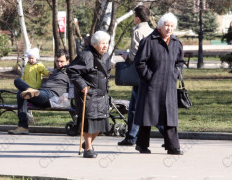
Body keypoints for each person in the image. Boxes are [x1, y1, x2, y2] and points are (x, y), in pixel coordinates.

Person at [133, 12, 184, 155]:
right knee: (147, 116)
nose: (169, 28)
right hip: (151, 86)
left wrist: (175, 73)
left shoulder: (176, 42)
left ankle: (173, 146)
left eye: (172, 26)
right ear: (160, 27)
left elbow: (180, 62)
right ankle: (142, 145)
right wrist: (149, 77)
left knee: (170, 117)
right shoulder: (149, 41)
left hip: (169, 85)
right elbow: (139, 62)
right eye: (167, 25)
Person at [117, 5, 164, 146]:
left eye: (133, 17)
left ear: (137, 18)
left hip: (139, 74)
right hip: (150, 73)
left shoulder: (137, 32)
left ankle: (167, 133)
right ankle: (131, 136)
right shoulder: (152, 31)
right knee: (134, 106)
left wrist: (126, 55)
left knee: (143, 107)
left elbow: (136, 55)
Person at [67, 31, 112, 158]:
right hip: (89, 94)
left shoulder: (106, 56)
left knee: (101, 124)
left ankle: (87, 144)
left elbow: (106, 73)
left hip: (101, 94)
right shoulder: (86, 56)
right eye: (102, 43)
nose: (105, 46)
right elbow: (72, 70)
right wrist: (82, 86)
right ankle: (88, 149)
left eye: (106, 43)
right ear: (94, 44)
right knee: (89, 122)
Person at [8, 49, 70, 135]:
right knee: (18, 84)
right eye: (57, 61)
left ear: (68, 60)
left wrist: (67, 99)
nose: (59, 64)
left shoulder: (71, 72)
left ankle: (29, 90)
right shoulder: (55, 71)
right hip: (41, 94)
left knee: (23, 93)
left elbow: (74, 87)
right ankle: (23, 127)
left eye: (62, 61)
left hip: (51, 97)